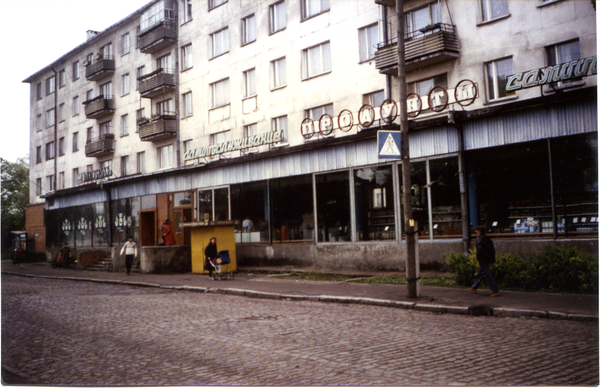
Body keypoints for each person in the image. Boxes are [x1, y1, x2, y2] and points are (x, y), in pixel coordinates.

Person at [468, 226, 501, 297]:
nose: (476, 232)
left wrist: (478, 258)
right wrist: (492, 260)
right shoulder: (488, 239)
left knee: (488, 274)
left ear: (479, 231)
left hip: (482, 259)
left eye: (477, 231)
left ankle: (495, 290)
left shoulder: (479, 239)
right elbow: (492, 250)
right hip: (487, 259)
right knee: (481, 272)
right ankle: (474, 287)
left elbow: (479, 250)